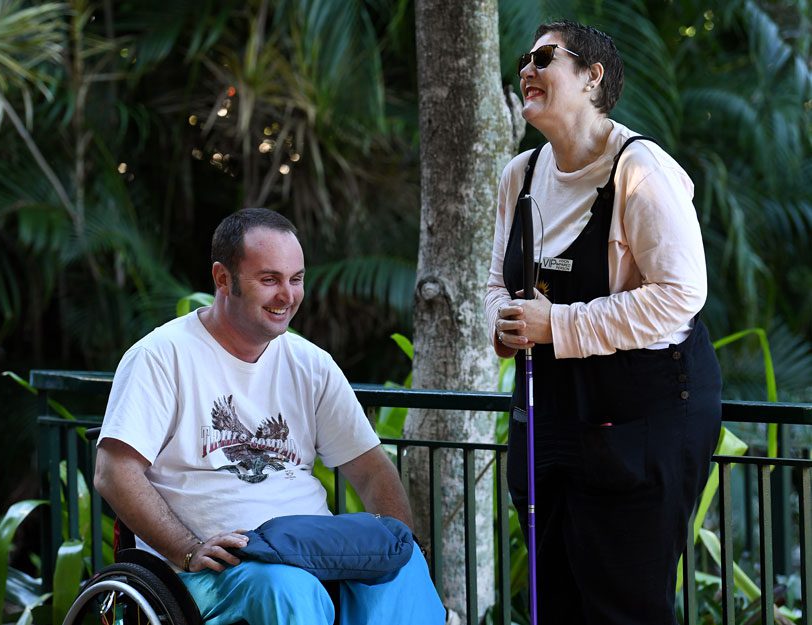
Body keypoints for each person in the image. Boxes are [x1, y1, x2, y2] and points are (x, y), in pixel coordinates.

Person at [95, 208, 444, 625]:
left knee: (400, 575)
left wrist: (394, 545)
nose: (288, 295)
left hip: (312, 552)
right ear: (223, 279)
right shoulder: (160, 356)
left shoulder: (310, 364)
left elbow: (371, 471)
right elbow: (114, 473)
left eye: (296, 279)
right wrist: (188, 549)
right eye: (269, 279)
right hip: (206, 572)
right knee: (288, 588)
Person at [484, 20, 722, 625]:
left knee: (624, 606)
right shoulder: (520, 175)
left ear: (592, 77)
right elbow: (495, 284)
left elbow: (679, 296)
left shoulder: (642, 170)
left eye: (544, 57)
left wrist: (556, 325)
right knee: (556, 599)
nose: (527, 69)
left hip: (642, 418)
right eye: (523, 59)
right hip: (549, 417)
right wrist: (506, 322)